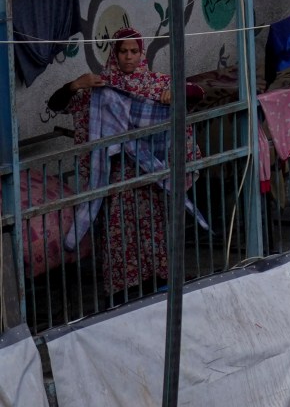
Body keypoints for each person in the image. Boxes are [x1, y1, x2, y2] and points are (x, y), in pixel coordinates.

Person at [53, 28, 204, 298]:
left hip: (152, 173)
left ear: (141, 53)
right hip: (117, 175)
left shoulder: (155, 84)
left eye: (134, 51)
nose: (129, 57)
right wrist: (76, 85)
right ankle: (125, 290)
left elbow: (197, 93)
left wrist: (175, 92)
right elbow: (57, 104)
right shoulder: (99, 87)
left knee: (156, 226)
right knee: (119, 228)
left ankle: (163, 282)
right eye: (123, 51)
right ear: (115, 53)